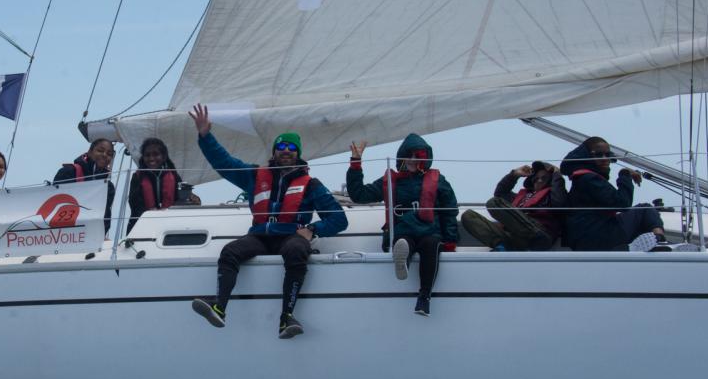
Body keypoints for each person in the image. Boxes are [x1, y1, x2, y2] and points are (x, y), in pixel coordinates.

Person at [187, 104, 347, 339]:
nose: (286, 150)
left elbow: (339, 219)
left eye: (291, 147)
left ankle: (287, 317)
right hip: (260, 236)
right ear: (274, 152)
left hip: (290, 236)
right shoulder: (254, 175)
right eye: (281, 146)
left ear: (298, 153)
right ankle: (219, 306)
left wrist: (313, 229)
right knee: (230, 251)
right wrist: (205, 136)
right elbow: (225, 163)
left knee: (296, 251)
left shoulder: (311, 185)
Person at [347, 135, 458, 317]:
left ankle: (424, 297)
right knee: (404, 242)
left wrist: (450, 241)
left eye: (418, 156)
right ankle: (403, 262)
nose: (413, 160)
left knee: (430, 245)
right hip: (403, 232)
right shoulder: (391, 181)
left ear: (424, 158)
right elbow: (359, 194)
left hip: (430, 232)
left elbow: (449, 211)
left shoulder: (439, 181)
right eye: (409, 155)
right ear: (402, 157)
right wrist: (355, 163)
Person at [559, 138, 669, 251]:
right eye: (598, 155)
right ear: (586, 156)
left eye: (608, 155)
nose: (604, 158)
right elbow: (622, 203)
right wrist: (625, 175)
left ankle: (644, 245)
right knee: (645, 209)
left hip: (587, 237)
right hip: (598, 237)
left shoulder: (581, 179)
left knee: (639, 221)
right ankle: (660, 240)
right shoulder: (589, 179)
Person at [461, 161, 566, 250]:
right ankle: (503, 246)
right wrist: (514, 175)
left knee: (494, 202)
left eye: (544, 178)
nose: (539, 180)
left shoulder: (554, 195)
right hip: (515, 235)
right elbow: (500, 194)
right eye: (536, 178)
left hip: (538, 233)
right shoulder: (522, 197)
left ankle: (533, 238)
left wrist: (557, 175)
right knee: (468, 215)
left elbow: (559, 204)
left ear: (551, 181)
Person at [127, 137, 199, 233]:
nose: (151, 158)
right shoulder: (137, 177)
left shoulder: (173, 175)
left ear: (164, 156)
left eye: (156, 154)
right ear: (143, 157)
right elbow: (135, 204)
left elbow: (181, 198)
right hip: (142, 226)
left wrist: (192, 198)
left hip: (169, 225)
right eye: (147, 155)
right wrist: (153, 214)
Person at [54, 138, 116, 234]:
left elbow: (105, 217)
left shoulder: (109, 187)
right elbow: (54, 202)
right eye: (100, 150)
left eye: (109, 154)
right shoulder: (69, 172)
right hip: (62, 234)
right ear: (90, 152)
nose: (104, 155)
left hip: (90, 237)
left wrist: (100, 236)